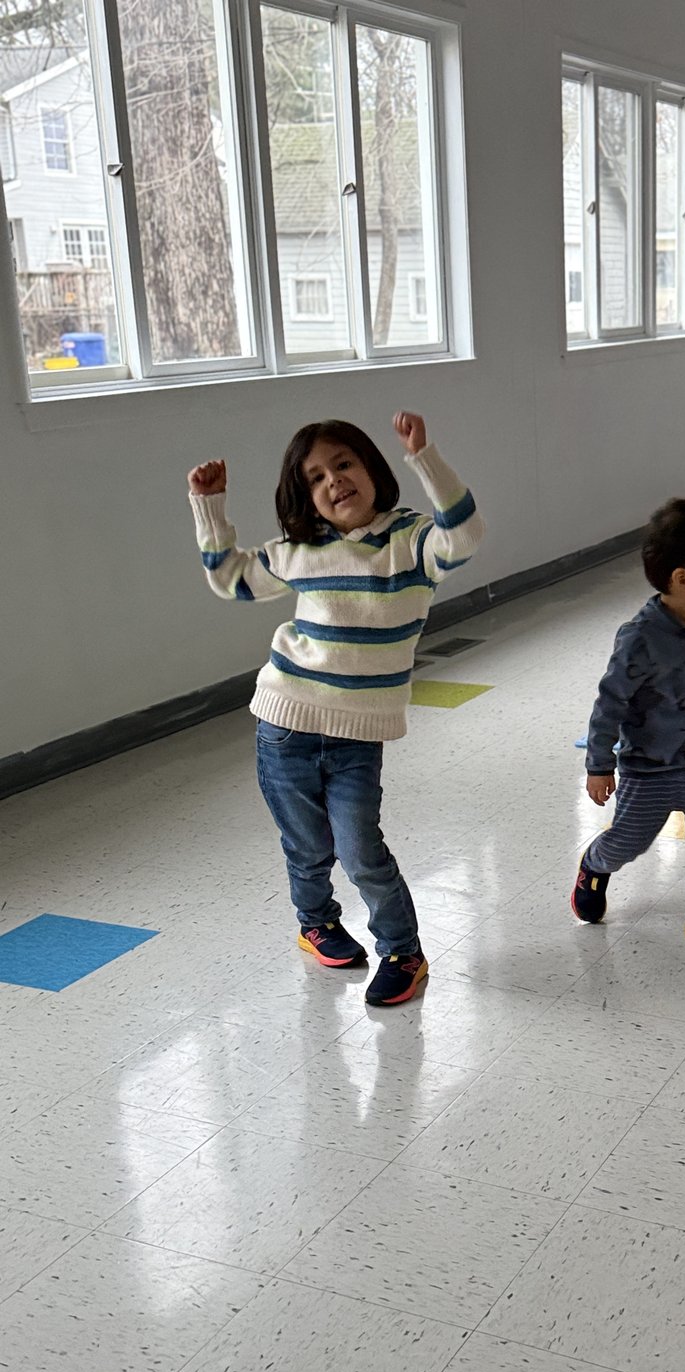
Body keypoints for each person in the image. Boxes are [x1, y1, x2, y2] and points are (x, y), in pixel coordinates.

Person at [187, 411, 483, 1006]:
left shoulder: (412, 540)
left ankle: (404, 951)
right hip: (283, 722)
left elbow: (465, 537)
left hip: (356, 737)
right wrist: (210, 506)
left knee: (360, 849)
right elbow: (230, 579)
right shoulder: (301, 549)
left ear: (372, 467)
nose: (334, 482)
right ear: (305, 497)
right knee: (306, 846)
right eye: (315, 477)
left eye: (343, 464)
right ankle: (315, 922)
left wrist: (425, 457)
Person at [572, 498, 685, 954]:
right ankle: (594, 865)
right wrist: (599, 765)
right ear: (682, 579)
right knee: (626, 846)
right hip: (651, 769)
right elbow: (609, 705)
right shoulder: (640, 638)